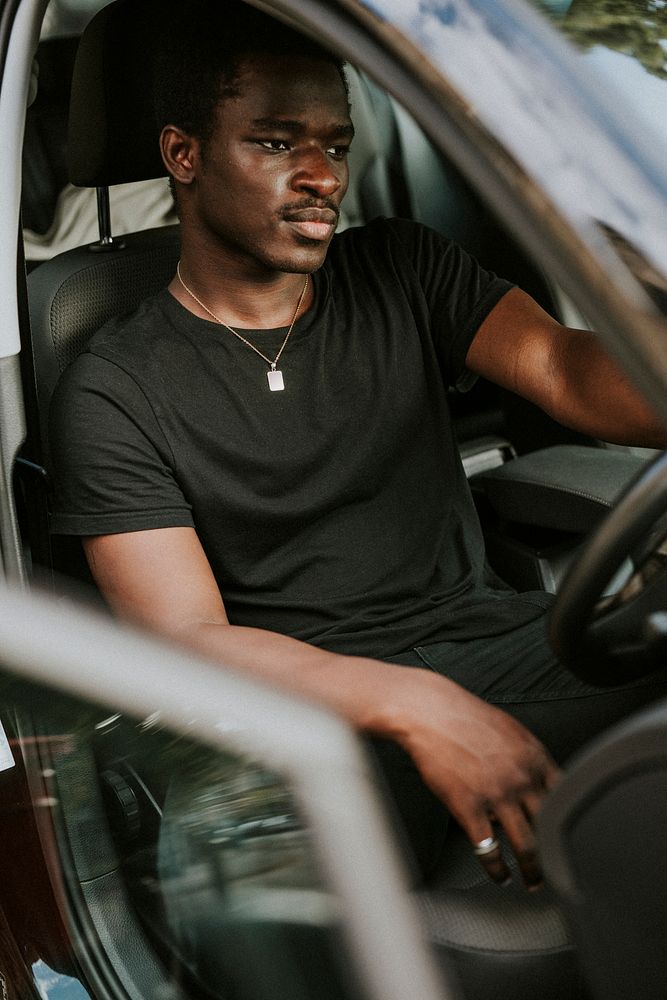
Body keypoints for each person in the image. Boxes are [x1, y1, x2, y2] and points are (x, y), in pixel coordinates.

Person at [48, 0, 667, 891]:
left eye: (335, 147)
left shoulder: (402, 267)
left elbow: (568, 372)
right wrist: (415, 705)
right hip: (311, 719)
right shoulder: (113, 384)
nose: (320, 176)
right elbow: (185, 637)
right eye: (273, 142)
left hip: (501, 644)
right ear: (182, 154)